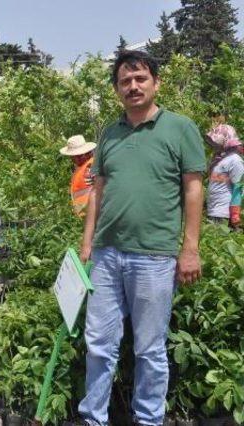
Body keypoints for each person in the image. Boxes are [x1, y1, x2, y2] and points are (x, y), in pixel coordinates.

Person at [78, 50, 205, 425]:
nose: (132, 86)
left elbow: (193, 189)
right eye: (124, 81)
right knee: (98, 345)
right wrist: (87, 243)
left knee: (150, 350)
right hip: (106, 255)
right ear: (117, 89)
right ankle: (93, 419)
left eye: (140, 79)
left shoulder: (180, 128)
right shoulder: (110, 133)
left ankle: (148, 420)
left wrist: (191, 249)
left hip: (154, 256)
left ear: (155, 82)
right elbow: (97, 191)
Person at [205, 124, 244, 229]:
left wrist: (235, 215)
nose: (214, 145)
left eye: (217, 142)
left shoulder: (235, 160)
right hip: (213, 210)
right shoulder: (222, 159)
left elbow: (238, 187)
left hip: (223, 213)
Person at [59, 135, 97, 217]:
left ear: (86, 154)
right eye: (72, 156)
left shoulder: (91, 166)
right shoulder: (81, 168)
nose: (73, 159)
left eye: (77, 156)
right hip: (84, 213)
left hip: (93, 213)